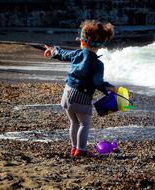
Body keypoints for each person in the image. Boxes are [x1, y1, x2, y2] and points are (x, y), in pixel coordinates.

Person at [44, 20, 117, 157]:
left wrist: (52, 50)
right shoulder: (97, 64)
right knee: (84, 124)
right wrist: (109, 88)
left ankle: (74, 148)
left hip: (67, 93)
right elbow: (97, 82)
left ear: (83, 42)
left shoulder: (77, 54)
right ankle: (81, 150)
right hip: (81, 97)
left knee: (74, 122)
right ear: (100, 45)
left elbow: (63, 53)